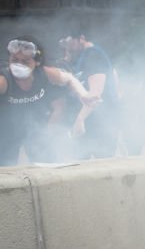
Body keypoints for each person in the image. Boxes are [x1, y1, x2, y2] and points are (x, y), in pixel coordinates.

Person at [0, 37, 96, 165]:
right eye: (15, 60)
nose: (19, 65)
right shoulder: (4, 81)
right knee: (5, 169)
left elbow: (69, 79)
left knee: (46, 165)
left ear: (37, 62)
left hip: (36, 127)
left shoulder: (45, 73)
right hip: (6, 130)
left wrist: (83, 95)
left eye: (25, 61)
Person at [61, 27, 121, 159]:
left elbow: (96, 92)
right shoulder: (85, 56)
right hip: (96, 121)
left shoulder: (93, 55)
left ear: (81, 38)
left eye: (69, 42)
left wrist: (80, 119)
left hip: (100, 123)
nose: (67, 47)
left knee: (102, 169)